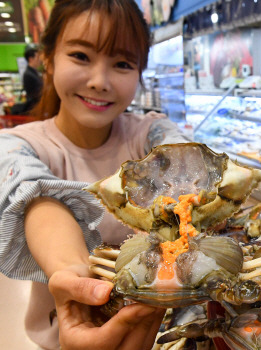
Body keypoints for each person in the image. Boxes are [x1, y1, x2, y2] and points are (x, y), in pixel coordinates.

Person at [0, 1, 190, 349]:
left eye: (121, 64)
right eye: (81, 56)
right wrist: (75, 276)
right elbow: (37, 198)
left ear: (140, 73)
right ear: (48, 56)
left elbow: (180, 156)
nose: (99, 81)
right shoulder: (14, 146)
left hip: (163, 333)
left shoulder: (149, 134)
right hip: (65, 331)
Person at [23, 44, 44, 113]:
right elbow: (35, 94)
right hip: (34, 109)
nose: (40, 59)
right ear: (30, 59)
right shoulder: (28, 75)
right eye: (37, 57)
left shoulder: (34, 73)